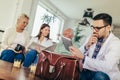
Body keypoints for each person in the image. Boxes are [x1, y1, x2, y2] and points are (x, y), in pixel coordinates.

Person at [69, 13, 120, 80]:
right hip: (88, 71)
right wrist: (87, 46)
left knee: (100, 76)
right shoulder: (91, 37)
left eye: (98, 28)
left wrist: (84, 58)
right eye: (93, 27)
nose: (94, 31)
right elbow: (80, 52)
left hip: (105, 75)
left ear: (108, 28)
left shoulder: (116, 43)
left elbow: (107, 66)